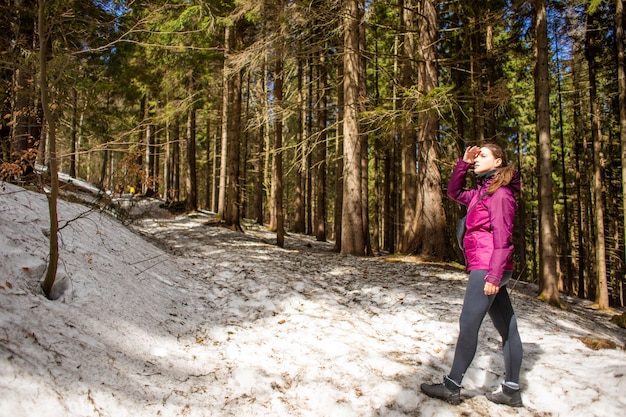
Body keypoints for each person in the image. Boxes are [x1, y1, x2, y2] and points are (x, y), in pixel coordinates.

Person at [420, 144, 524, 407]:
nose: (478, 160)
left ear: (498, 162)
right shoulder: (481, 193)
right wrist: (463, 163)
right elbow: (453, 192)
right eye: (476, 157)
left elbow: (504, 237)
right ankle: (511, 390)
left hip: (488, 266)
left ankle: (452, 386)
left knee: (468, 325)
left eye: (483, 156)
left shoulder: (500, 195)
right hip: (489, 265)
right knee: (507, 326)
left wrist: (493, 275)